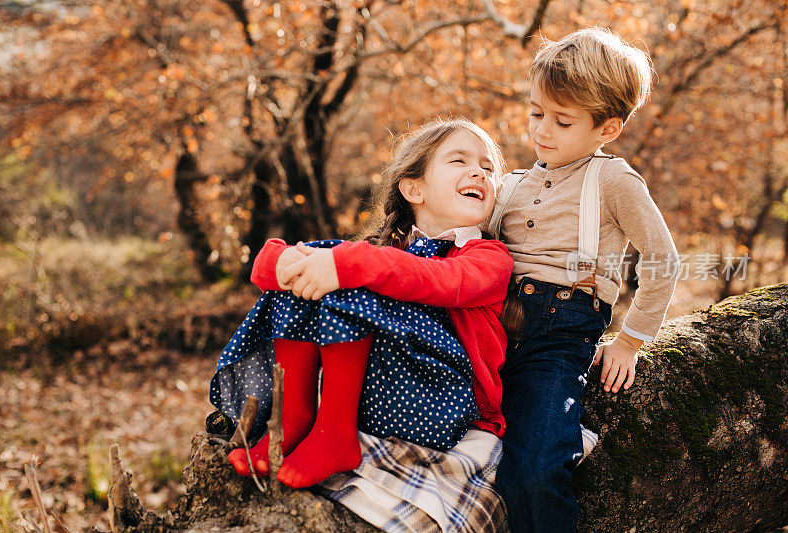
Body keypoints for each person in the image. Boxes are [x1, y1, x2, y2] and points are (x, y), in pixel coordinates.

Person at [210, 118, 515, 493]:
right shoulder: (386, 255)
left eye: (488, 168)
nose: (479, 173)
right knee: (323, 273)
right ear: (413, 188)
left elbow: (436, 281)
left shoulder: (489, 257)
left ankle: (334, 434)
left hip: (439, 403)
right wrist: (284, 263)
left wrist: (345, 266)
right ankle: (293, 421)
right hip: (374, 402)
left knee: (349, 274)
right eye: (459, 161)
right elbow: (266, 271)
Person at [488, 28, 680, 532]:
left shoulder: (612, 181)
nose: (542, 131)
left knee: (532, 469)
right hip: (486, 329)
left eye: (562, 120)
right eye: (536, 113)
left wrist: (631, 339)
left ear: (607, 129)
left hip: (557, 337)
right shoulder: (512, 184)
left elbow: (662, 259)